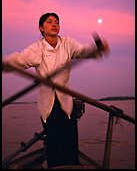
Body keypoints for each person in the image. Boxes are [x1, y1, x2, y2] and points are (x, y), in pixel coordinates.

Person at [2, 12, 110, 168]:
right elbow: (18, 59)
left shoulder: (67, 43)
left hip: (66, 101)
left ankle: (72, 164)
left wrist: (97, 49)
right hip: (48, 103)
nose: (55, 24)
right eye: (50, 22)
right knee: (54, 141)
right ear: (41, 28)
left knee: (70, 140)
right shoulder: (37, 48)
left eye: (57, 22)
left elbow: (84, 51)